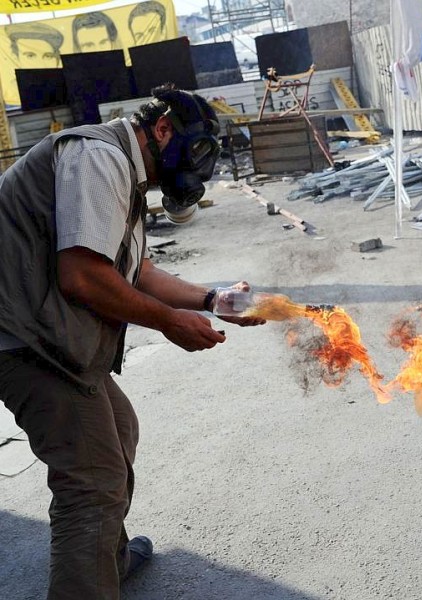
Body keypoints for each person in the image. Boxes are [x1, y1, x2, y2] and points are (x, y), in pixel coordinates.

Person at [0, 83, 265, 600]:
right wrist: (169, 322)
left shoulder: (123, 169)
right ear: (163, 129)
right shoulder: (99, 157)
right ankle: (86, 581)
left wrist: (211, 301)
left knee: (118, 428)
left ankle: (104, 562)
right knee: (92, 485)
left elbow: (135, 271)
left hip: (48, 334)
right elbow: (83, 275)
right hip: (24, 339)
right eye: (196, 150)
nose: (197, 167)